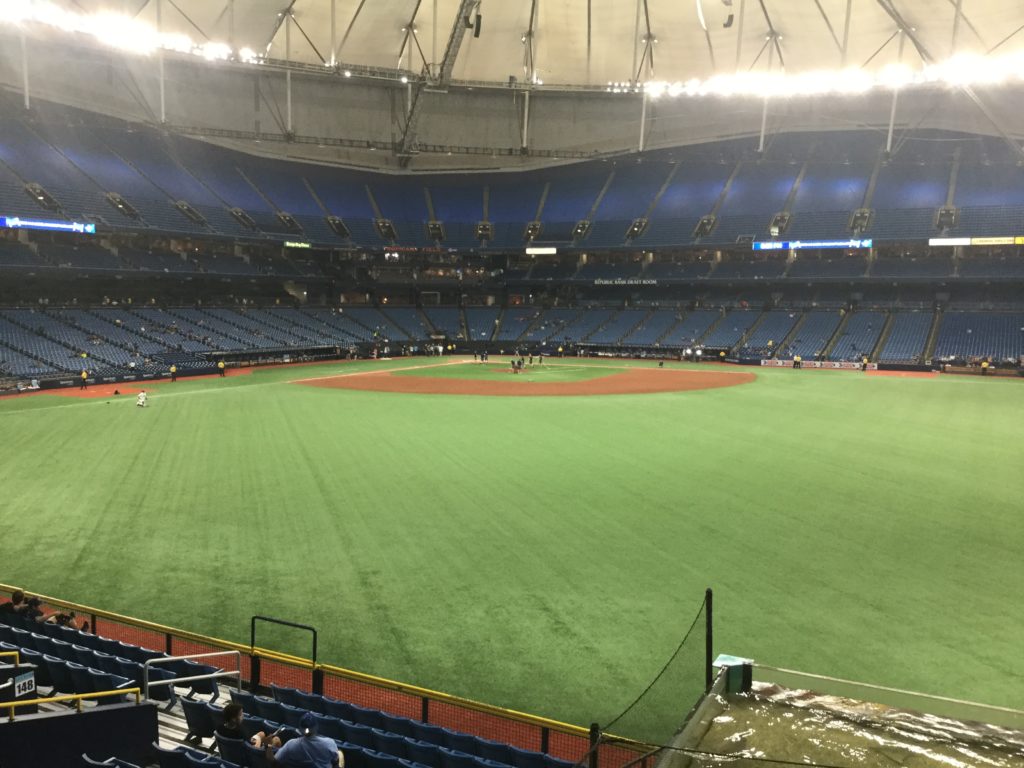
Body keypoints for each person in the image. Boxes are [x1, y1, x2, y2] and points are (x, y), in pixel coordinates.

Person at [267, 712, 343, 768]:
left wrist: (268, 745)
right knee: (340, 753)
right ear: (316, 727)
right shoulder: (329, 743)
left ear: (300, 729)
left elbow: (273, 762)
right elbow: (335, 762)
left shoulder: (291, 745)